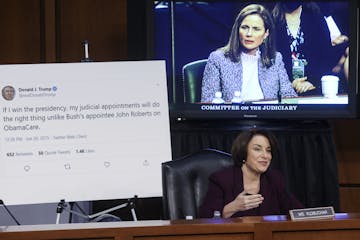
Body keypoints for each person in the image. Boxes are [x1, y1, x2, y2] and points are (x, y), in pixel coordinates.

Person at [201, 4, 297, 103]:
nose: (249, 34)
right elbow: (208, 102)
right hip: (232, 117)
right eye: (245, 27)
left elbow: (289, 97)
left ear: (266, 34)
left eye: (256, 29)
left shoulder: (275, 59)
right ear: (237, 30)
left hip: (267, 116)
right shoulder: (218, 59)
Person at [198, 129, 303, 218]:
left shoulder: (274, 179)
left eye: (268, 150)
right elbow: (205, 218)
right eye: (257, 149)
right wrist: (233, 207)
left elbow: (298, 212)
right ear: (243, 153)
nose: (265, 156)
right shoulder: (222, 180)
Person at [272, 2, 345, 95]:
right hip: (283, 87)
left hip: (313, 84)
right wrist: (289, 83)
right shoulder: (272, 20)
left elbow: (326, 56)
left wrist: (312, 81)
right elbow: (270, 62)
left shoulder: (316, 18)